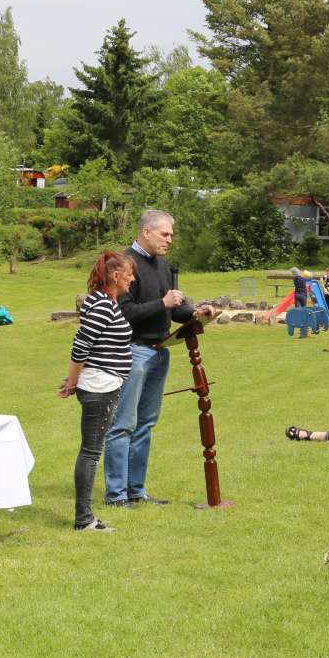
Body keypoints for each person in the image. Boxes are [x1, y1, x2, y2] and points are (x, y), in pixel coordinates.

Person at [103, 209, 214, 507]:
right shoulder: (124, 264)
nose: (169, 240)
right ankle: (116, 495)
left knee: (145, 425)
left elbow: (171, 309)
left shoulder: (162, 266)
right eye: (165, 234)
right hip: (133, 352)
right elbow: (123, 313)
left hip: (159, 352)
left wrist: (193, 312)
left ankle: (136, 491)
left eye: (171, 236)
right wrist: (162, 302)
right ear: (146, 232)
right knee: (123, 424)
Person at [58, 251, 135, 532]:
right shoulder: (103, 305)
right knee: (90, 452)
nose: (132, 279)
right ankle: (84, 519)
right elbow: (81, 346)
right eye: (129, 274)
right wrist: (72, 381)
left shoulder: (103, 302)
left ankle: (85, 517)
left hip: (101, 384)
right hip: (99, 388)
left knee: (91, 451)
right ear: (116, 276)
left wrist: (73, 380)